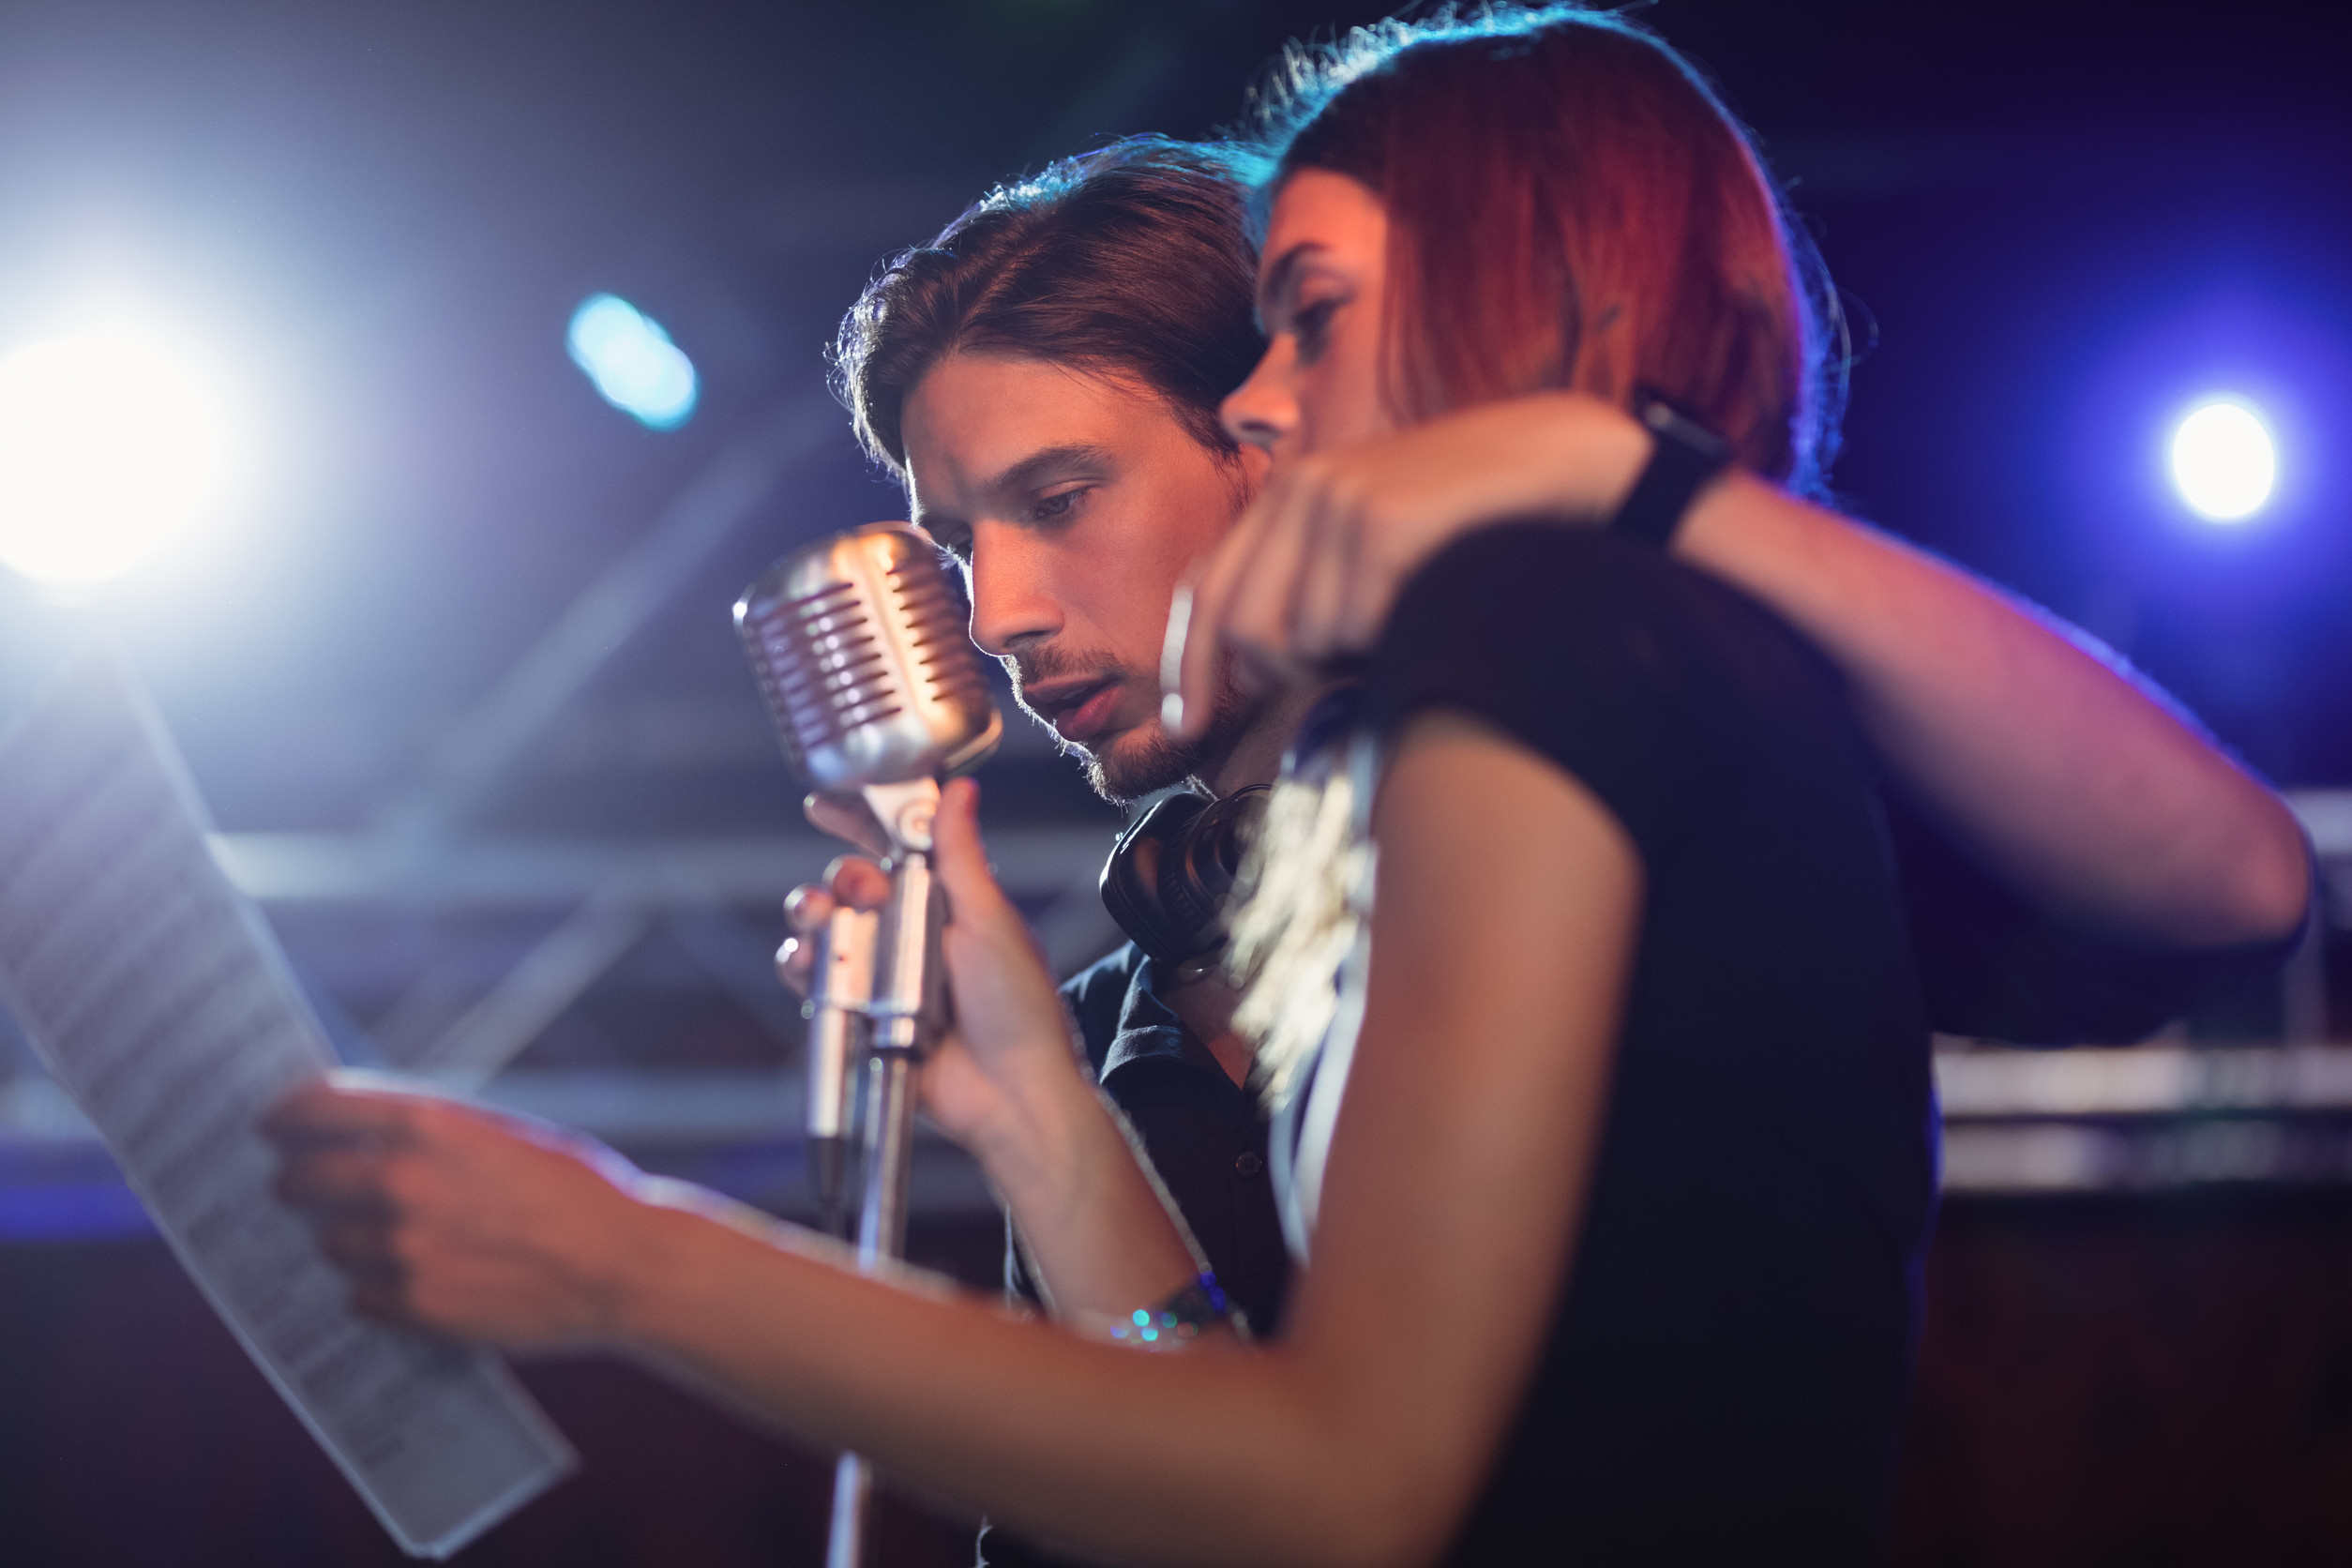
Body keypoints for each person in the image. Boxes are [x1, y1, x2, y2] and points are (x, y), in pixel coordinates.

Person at [270, 10, 2313, 1564]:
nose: (995, 612)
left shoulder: (1570, 660)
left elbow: (1345, 1486)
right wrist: (1034, 1103)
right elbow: (1240, 1477)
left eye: (1063, 497)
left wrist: (629, 1258)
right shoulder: (1280, 879)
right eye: (960, 541)